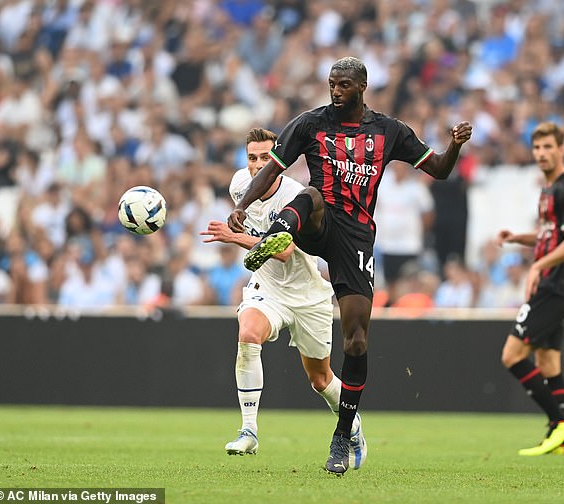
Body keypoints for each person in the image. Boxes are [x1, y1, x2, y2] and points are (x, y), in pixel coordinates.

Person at [227, 57, 472, 474]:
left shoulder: (389, 131)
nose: (335, 91)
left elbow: (440, 170)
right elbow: (272, 168)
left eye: (343, 85)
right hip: (317, 222)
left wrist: (456, 146)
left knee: (356, 340)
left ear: (362, 86)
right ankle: (274, 236)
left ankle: (343, 435)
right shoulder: (310, 123)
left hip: (356, 238)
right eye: (331, 83)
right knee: (311, 195)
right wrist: (244, 204)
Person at [200, 127, 367, 469]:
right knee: (248, 334)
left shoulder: (295, 195)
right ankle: (249, 431)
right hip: (269, 290)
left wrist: (234, 238)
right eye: (251, 158)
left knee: (320, 380)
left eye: (264, 158)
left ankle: (352, 425)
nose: (257, 165)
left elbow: (284, 249)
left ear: (278, 159)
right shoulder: (238, 186)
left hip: (308, 295)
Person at [496, 121, 564, 456]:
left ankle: (560, 420)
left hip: (555, 287)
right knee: (548, 360)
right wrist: (518, 238)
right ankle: (562, 438)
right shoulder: (549, 189)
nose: (542, 154)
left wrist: (537, 265)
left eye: (548, 147)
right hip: (552, 285)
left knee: (512, 354)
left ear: (561, 149)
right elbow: (552, 235)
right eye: (537, 148)